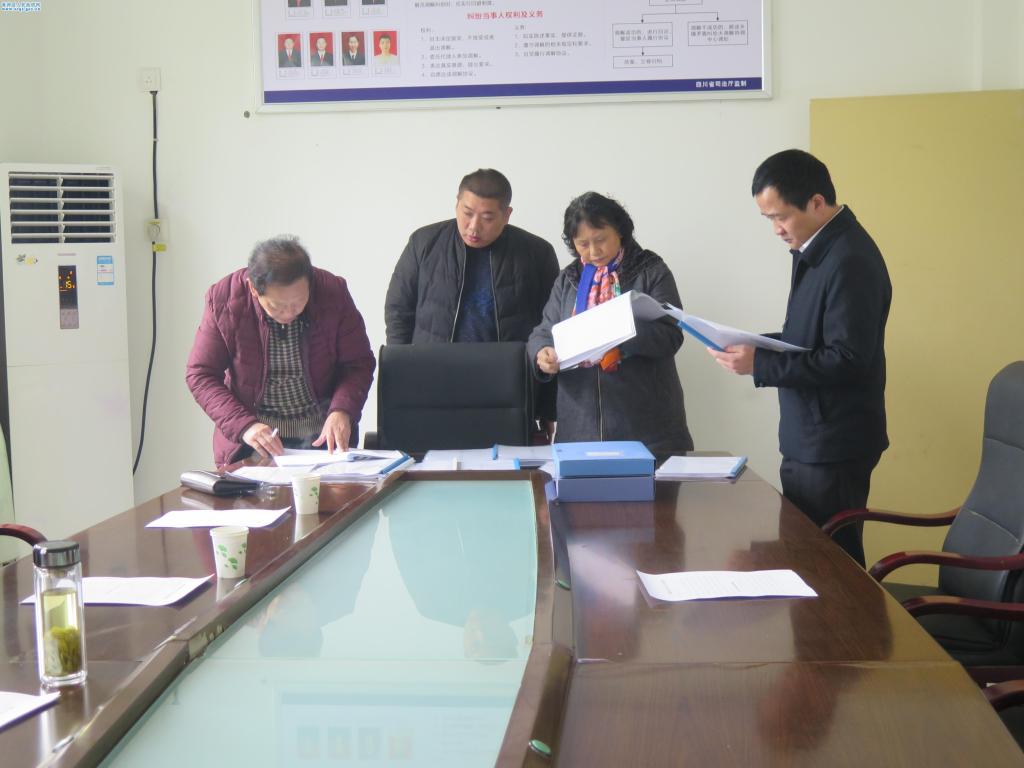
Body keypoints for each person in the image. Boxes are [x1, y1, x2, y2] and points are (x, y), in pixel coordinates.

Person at [708, 149, 891, 566]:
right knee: (809, 558)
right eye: (768, 219)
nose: (776, 229)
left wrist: (760, 364)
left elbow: (848, 359)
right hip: (811, 435)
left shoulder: (850, 259)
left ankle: (854, 616)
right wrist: (754, 345)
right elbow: (808, 340)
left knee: (831, 565)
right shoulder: (819, 249)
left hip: (833, 441)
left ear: (816, 202)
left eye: (781, 217)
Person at [384, 169, 560, 426]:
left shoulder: (537, 253)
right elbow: (398, 312)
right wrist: (402, 378)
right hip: (433, 382)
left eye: (487, 217)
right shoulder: (424, 243)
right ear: (456, 204)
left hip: (508, 390)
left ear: (507, 214)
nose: (474, 226)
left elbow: (551, 328)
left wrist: (547, 409)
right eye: (467, 213)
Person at [527, 192, 693, 458]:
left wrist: (619, 331)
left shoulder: (650, 270)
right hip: (579, 428)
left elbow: (671, 335)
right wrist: (542, 352)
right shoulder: (568, 279)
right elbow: (543, 331)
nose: (593, 252)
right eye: (583, 244)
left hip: (648, 429)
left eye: (601, 239)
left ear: (620, 231)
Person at [186, 236, 375, 466]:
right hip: (253, 442)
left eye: (298, 303)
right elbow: (201, 374)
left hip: (322, 440)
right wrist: (244, 426)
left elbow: (358, 364)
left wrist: (342, 410)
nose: (289, 314)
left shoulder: (333, 293)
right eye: (277, 306)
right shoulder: (225, 299)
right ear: (253, 289)